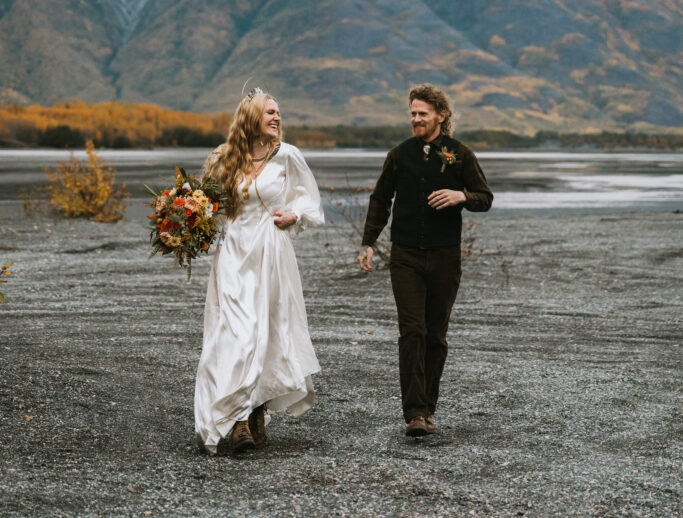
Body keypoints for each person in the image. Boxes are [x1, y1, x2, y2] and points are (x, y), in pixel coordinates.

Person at [357, 83, 493, 437]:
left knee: (436, 334)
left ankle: (429, 408)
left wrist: (460, 195)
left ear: (440, 116)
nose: (416, 119)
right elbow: (380, 199)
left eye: (422, 114)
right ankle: (415, 413)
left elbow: (485, 197)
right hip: (405, 256)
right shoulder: (399, 155)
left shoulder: (459, 154)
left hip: (446, 256)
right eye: (413, 114)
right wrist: (368, 242)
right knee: (411, 331)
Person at [194, 87, 324, 455]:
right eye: (269, 113)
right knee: (235, 334)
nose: (277, 118)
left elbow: (311, 202)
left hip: (271, 254)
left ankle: (255, 411)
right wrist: (188, 221)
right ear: (251, 118)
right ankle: (235, 421)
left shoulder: (288, 156)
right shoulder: (225, 158)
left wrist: (294, 214)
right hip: (234, 255)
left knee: (267, 335)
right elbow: (208, 206)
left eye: (278, 113)